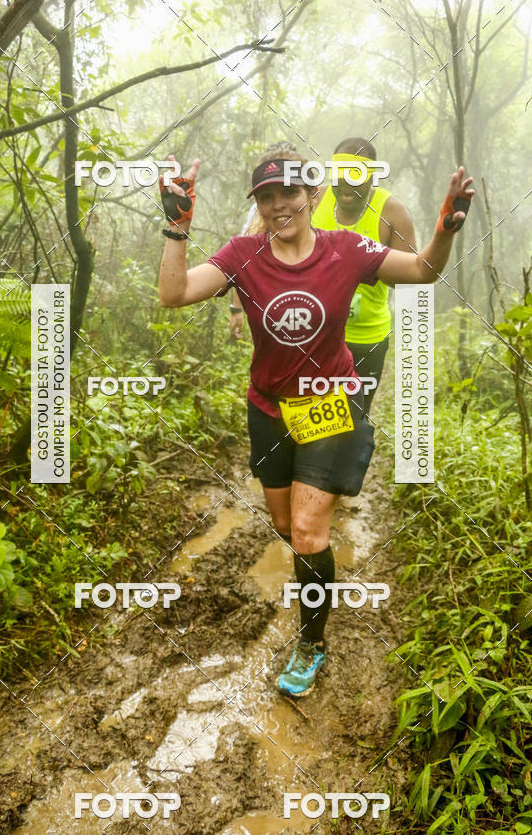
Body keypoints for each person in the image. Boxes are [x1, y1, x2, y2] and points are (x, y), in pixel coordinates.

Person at [158, 148, 473, 698]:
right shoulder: (243, 253)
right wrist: (175, 228)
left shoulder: (346, 249)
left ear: (312, 195)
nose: (280, 206)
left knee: (306, 531)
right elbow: (174, 294)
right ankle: (316, 562)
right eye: (267, 197)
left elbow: (422, 271)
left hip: (330, 405)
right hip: (270, 409)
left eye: (289, 193)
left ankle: (311, 643)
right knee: (286, 528)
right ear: (258, 205)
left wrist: (444, 229)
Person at [230, 137, 416, 414]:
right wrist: (238, 306)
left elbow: (411, 277)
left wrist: (364, 267)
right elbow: (256, 247)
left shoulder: (392, 212)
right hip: (314, 333)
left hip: (366, 336)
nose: (348, 182)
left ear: (373, 176)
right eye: (341, 172)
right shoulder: (313, 198)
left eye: (357, 174)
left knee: (354, 418)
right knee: (302, 414)